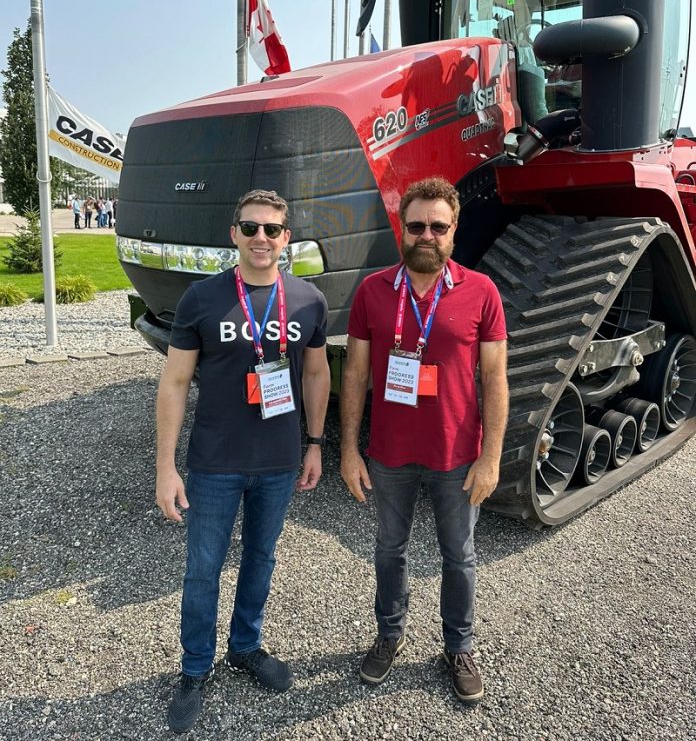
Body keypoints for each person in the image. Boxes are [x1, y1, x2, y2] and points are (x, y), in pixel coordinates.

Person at [156, 188, 331, 734]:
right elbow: (174, 382)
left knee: (260, 558)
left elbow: (317, 373)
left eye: (271, 230)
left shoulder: (308, 300)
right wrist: (166, 467)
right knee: (202, 570)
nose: (261, 238)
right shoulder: (202, 299)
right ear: (233, 234)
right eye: (250, 228)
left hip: (278, 462)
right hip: (214, 463)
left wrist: (315, 443)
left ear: (286, 238)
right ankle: (194, 669)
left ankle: (245, 647)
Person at [340, 176, 508, 704]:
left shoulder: (481, 292)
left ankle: (459, 646)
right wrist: (348, 449)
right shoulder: (372, 291)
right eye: (417, 226)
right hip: (389, 454)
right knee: (389, 549)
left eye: (438, 226)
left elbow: (495, 379)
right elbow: (355, 374)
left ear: (454, 230)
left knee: (459, 555)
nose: (427, 236)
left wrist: (491, 458)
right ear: (402, 229)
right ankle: (390, 635)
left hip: (457, 456)